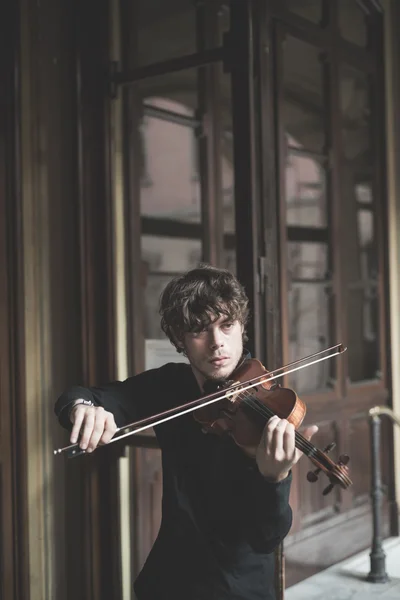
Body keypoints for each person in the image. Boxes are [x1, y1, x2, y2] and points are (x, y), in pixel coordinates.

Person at [55, 265, 317, 600]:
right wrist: (83, 408)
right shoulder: (169, 385)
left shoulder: (267, 408)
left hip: (238, 587)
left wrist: (275, 479)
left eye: (227, 325)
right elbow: (88, 395)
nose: (217, 343)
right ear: (180, 338)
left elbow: (267, 537)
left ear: (241, 327)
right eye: (198, 330)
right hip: (170, 578)